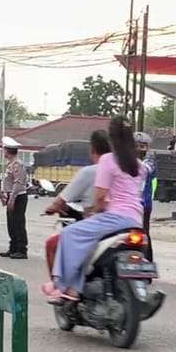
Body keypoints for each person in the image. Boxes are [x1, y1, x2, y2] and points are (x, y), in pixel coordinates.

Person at [42, 117, 146, 300]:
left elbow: (100, 197)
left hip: (115, 217)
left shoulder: (107, 160)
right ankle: (76, 288)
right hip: (136, 219)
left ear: (112, 139)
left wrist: (95, 211)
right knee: (87, 239)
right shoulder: (139, 166)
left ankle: (64, 286)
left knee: (69, 234)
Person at [42, 129, 110, 276]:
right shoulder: (124, 170)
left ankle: (61, 287)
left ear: (93, 149)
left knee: (54, 244)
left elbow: (61, 201)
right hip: (127, 223)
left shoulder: (89, 172)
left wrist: (52, 208)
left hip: (97, 224)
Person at [0, 137, 30, 260]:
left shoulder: (18, 164)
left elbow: (18, 183)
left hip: (18, 197)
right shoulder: (11, 164)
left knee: (18, 223)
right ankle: (13, 248)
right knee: (11, 224)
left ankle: (22, 250)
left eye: (4, 150)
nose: (4, 152)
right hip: (11, 196)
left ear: (7, 151)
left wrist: (12, 198)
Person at [137, 133, 158, 261]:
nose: (139, 149)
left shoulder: (149, 162)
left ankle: (147, 262)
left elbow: (145, 170)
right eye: (137, 146)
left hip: (144, 204)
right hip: (131, 204)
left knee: (144, 233)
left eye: (142, 146)